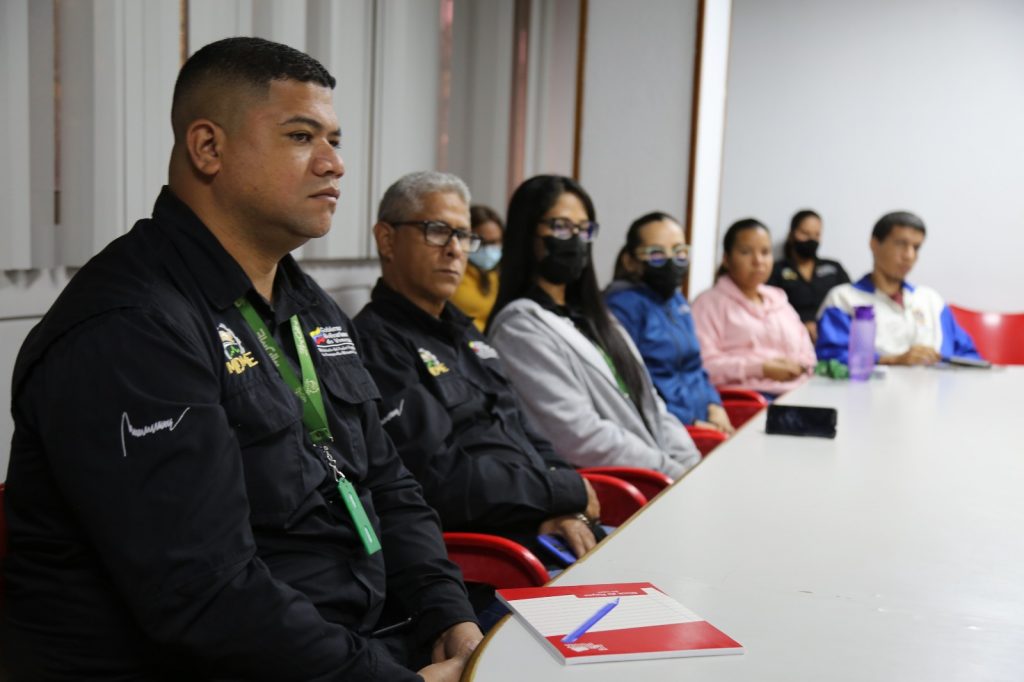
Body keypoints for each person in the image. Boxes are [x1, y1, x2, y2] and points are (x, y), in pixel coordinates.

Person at [3, 37, 480, 682]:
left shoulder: (303, 302)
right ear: (208, 148)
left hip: (355, 639)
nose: (335, 164)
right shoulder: (131, 328)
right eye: (301, 136)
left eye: (336, 140)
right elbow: (204, 596)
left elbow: (388, 482)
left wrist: (447, 613)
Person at [354, 171, 601, 565]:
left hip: (549, 524)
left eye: (464, 236)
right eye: (437, 231)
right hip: (492, 554)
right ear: (387, 239)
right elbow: (441, 481)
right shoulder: (376, 346)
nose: (455, 250)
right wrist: (559, 492)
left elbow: (522, 427)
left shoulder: (464, 330)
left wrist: (567, 503)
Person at [486, 175, 701, 479]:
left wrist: (692, 465)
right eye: (560, 227)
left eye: (583, 229)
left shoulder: (595, 316)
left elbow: (652, 405)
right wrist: (669, 472)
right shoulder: (518, 328)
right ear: (527, 233)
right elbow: (580, 436)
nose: (575, 239)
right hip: (614, 489)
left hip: (658, 476)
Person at [605, 212, 734, 434]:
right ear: (631, 261)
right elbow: (629, 386)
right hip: (669, 429)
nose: (671, 260)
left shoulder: (677, 300)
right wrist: (689, 423)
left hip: (706, 422)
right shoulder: (621, 308)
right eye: (656, 254)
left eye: (679, 251)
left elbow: (696, 366)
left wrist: (715, 405)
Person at [816, 211, 981, 365]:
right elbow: (830, 358)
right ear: (874, 244)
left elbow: (969, 356)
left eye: (916, 247)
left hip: (935, 393)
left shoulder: (931, 301)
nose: (909, 256)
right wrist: (892, 360)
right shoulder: (843, 299)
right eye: (901, 244)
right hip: (872, 394)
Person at [691, 218, 816, 397]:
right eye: (745, 252)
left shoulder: (779, 301)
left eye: (765, 252)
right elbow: (704, 365)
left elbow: (807, 352)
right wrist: (761, 369)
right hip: (747, 399)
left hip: (797, 392)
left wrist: (802, 367)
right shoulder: (708, 304)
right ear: (726, 259)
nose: (758, 261)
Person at [767, 209, 850, 343]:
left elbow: (849, 302)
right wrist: (799, 326)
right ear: (791, 234)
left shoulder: (833, 268)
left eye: (816, 235)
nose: (811, 240)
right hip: (789, 339)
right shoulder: (775, 270)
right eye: (805, 233)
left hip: (833, 338)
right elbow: (768, 310)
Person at [450, 204, 504, 332]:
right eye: (483, 242)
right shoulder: (451, 273)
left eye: (495, 242)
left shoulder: (499, 276)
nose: (489, 249)